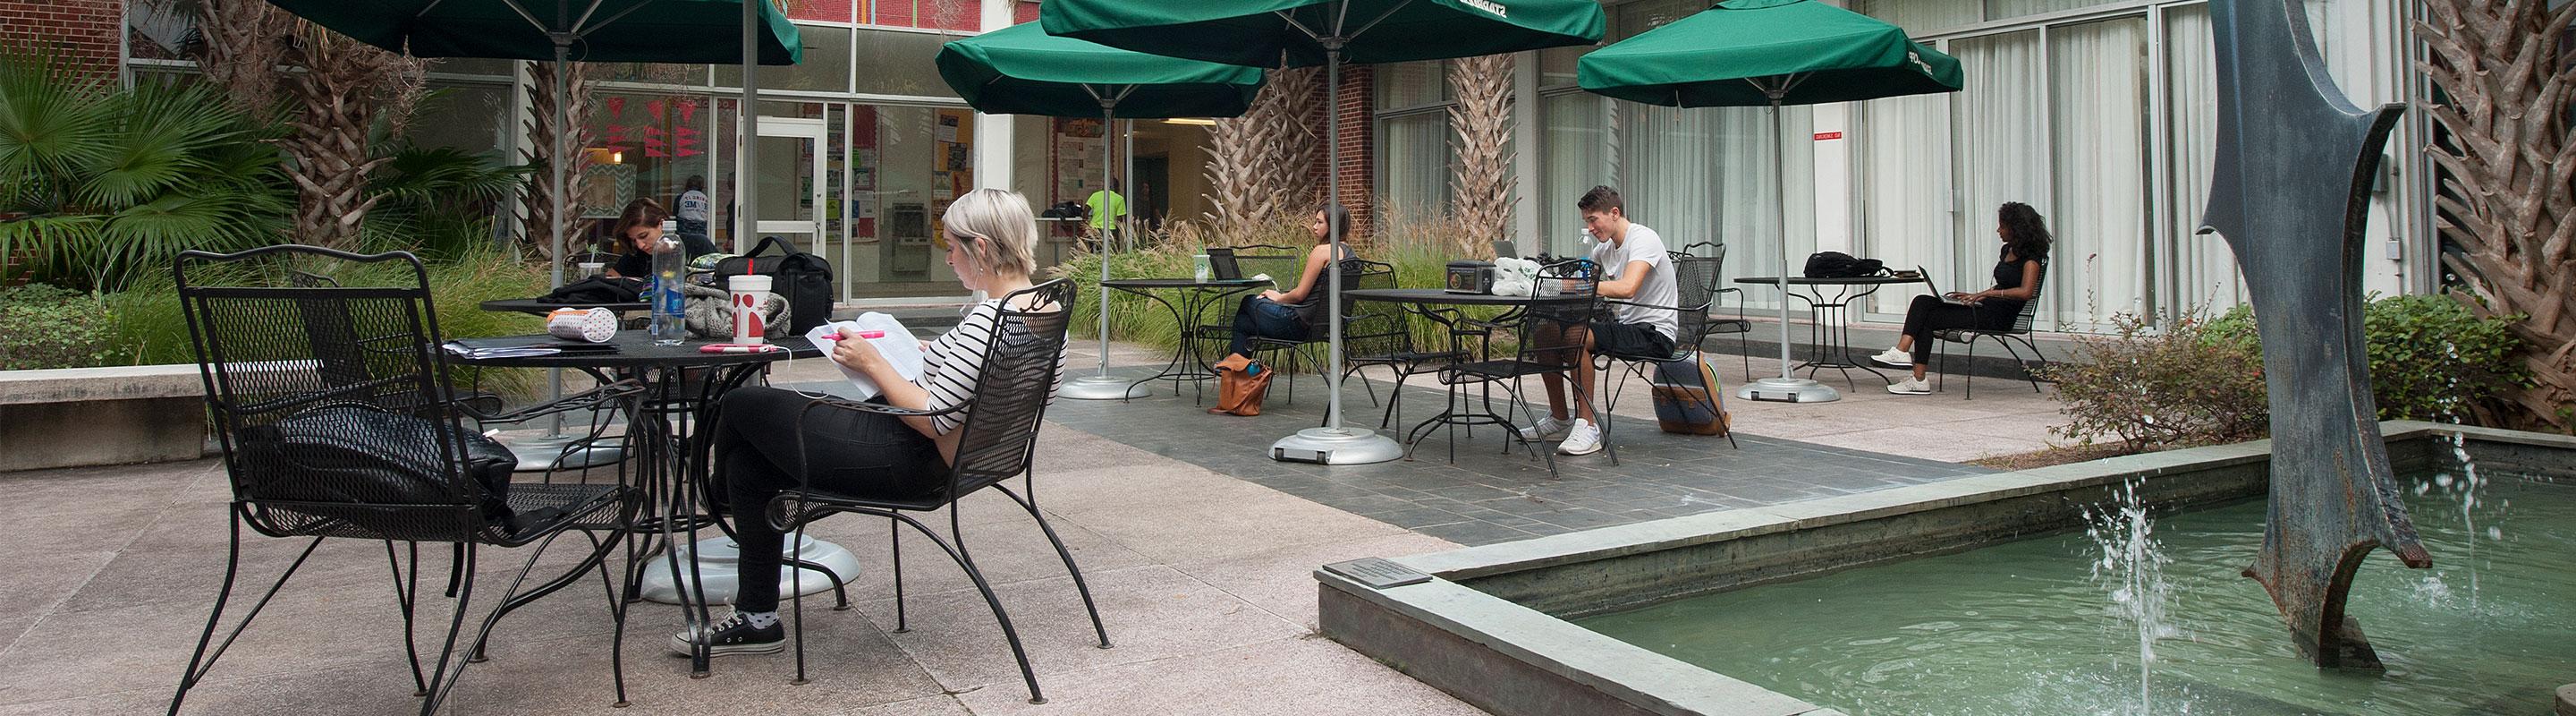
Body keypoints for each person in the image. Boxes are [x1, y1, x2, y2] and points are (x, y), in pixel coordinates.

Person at [672, 188, 1063, 657]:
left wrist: (873, 363)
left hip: (912, 459)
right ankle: (758, 617)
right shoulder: (1041, 312)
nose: (948, 258)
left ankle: (714, 499)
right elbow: (971, 388)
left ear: (980, 247)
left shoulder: (989, 320)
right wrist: (926, 354)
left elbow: (932, 418)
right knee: (751, 468)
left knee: (743, 404)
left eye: (952, 246)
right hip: (966, 458)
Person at [1520, 186, 1677, 456]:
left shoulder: (1643, 239)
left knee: (1575, 336)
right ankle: (1559, 417)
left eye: (1593, 220)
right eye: (1587, 221)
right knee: (1545, 332)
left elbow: (1628, 287)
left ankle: (1588, 426)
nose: (1590, 227)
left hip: (1655, 333)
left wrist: (1578, 286)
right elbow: (1583, 282)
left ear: (1614, 213)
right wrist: (1554, 284)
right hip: (1626, 327)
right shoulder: (1604, 249)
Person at [1868, 201, 2051, 396]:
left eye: (2002, 226)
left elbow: (2026, 292)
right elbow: (2003, 284)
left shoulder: (2031, 259)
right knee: (1924, 301)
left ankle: (1916, 375)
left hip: (1999, 318)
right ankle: (1904, 357)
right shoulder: (2007, 250)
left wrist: (1987, 294)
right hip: (1985, 307)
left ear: (2016, 228)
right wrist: (1975, 295)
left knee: (1926, 317)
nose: (1998, 230)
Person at [1212, 204, 1356, 399]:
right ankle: (1235, 377)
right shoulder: (1350, 255)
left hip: (1297, 323)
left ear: (1334, 225)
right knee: (1245, 324)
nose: (1314, 226)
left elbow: (1299, 295)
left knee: (1248, 301)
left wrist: (1278, 297)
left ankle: (1234, 373)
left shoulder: (1322, 251)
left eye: (1319, 222)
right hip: (1322, 325)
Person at [603, 198, 674, 279]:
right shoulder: (638, 255)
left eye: (643, 236)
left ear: (662, 224)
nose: (640, 245)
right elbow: (607, 281)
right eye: (634, 240)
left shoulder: (688, 246)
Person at [671, 175, 717, 255]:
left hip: (684, 229)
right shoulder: (706, 199)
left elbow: (675, 214)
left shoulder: (682, 197)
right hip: (702, 230)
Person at [1085, 177, 1126, 244]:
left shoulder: (1095, 196)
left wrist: (1087, 226)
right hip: (1111, 229)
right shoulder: (1119, 199)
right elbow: (1119, 220)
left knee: (1094, 253)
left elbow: (1085, 212)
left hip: (1094, 228)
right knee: (1112, 253)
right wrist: (1116, 233)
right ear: (1116, 187)